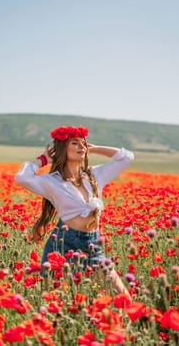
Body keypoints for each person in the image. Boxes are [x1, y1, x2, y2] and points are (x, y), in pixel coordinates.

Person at [15, 125, 134, 298]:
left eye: (83, 143)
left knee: (124, 299)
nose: (81, 147)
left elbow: (126, 158)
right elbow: (22, 177)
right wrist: (42, 159)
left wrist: (94, 149)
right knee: (51, 302)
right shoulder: (52, 182)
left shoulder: (94, 175)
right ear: (63, 149)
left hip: (93, 245)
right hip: (62, 244)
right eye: (75, 143)